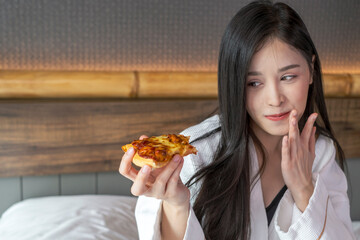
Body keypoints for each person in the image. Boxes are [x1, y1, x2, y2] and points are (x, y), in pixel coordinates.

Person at [119, 1, 356, 239]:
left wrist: (305, 189)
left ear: (312, 70)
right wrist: (177, 206)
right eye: (254, 83)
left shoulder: (321, 152)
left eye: (288, 76)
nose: (274, 99)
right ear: (235, 84)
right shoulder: (195, 156)